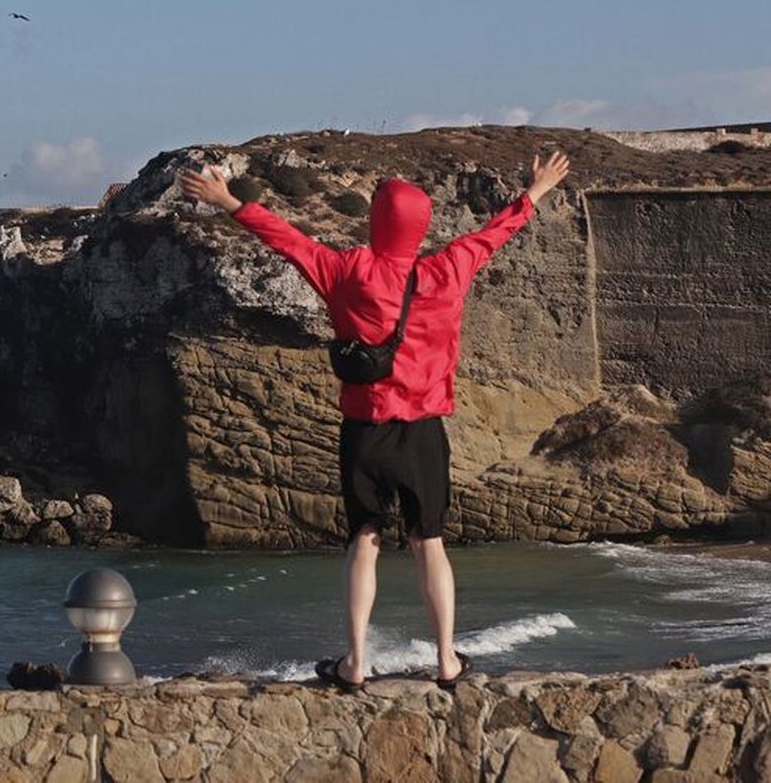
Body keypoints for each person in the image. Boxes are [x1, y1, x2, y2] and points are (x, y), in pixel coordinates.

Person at [177, 149, 571, 690]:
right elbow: (492, 235)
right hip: (423, 430)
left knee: (364, 538)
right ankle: (446, 663)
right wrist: (536, 190)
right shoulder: (448, 269)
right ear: (422, 225)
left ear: (376, 222)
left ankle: (356, 663)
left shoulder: (347, 271)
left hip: (364, 429)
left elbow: (288, 241)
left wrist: (228, 202)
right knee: (428, 541)